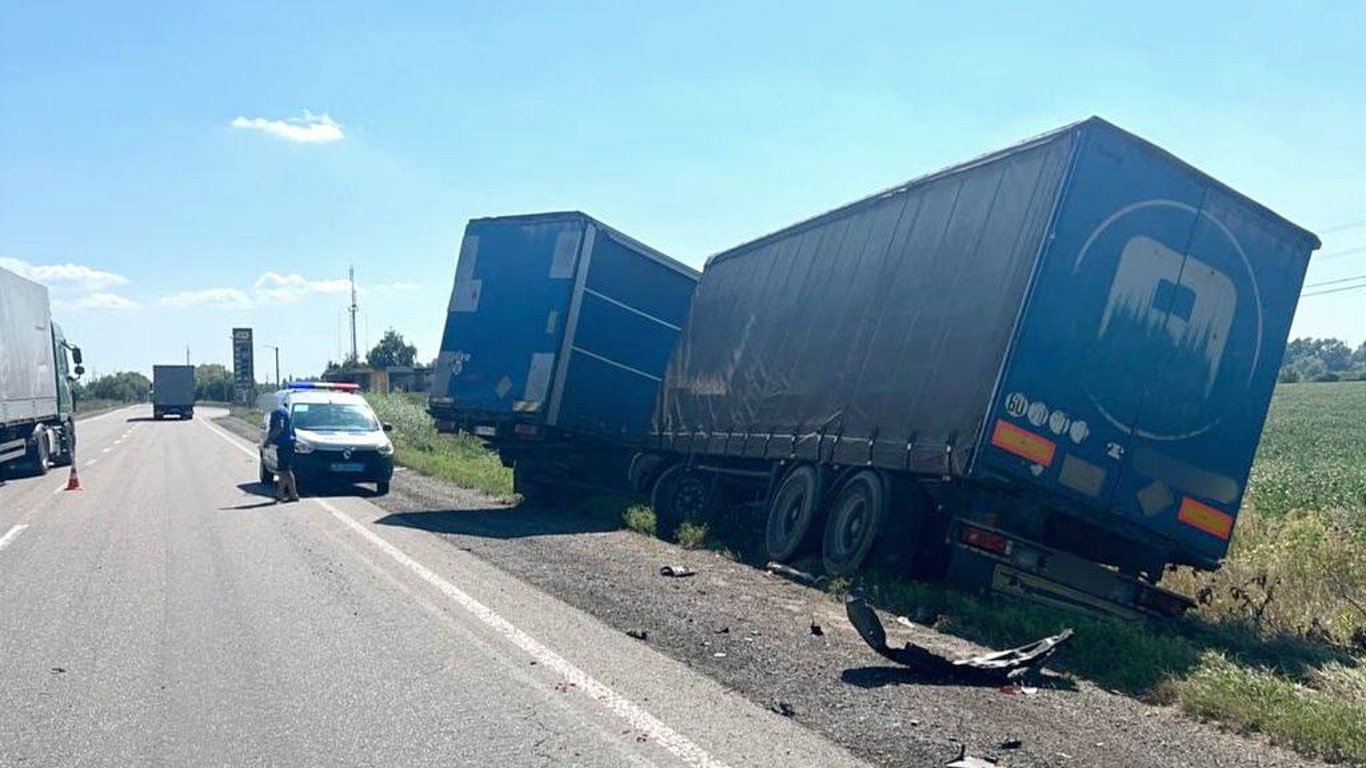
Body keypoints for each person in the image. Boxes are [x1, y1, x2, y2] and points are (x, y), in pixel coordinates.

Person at [262, 401, 300, 502]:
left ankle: (285, 493)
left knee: (284, 470)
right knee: (284, 470)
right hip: (287, 443)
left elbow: (279, 427)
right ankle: (290, 494)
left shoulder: (277, 411)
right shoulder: (282, 409)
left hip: (285, 444)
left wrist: (268, 441)